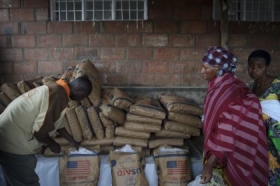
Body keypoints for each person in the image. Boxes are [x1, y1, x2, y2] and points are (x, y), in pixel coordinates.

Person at [0, 75, 92, 186]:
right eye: (84, 95)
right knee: (26, 181)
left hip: (7, 134)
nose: (82, 99)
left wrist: (71, 141)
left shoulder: (58, 88)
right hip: (14, 142)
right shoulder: (58, 95)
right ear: (78, 89)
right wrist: (53, 144)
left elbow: (56, 120)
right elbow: (40, 131)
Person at [198, 46, 269, 185]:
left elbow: (226, 129)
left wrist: (210, 163)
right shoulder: (222, 86)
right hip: (219, 150)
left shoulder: (230, 91)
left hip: (234, 152)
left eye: (206, 68)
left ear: (218, 68)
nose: (202, 71)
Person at [247, 49, 280, 186]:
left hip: (276, 136)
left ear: (267, 67)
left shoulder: (277, 85)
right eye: (251, 66)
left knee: (275, 166)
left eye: (260, 66)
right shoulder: (249, 87)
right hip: (258, 136)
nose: (254, 70)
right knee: (261, 168)